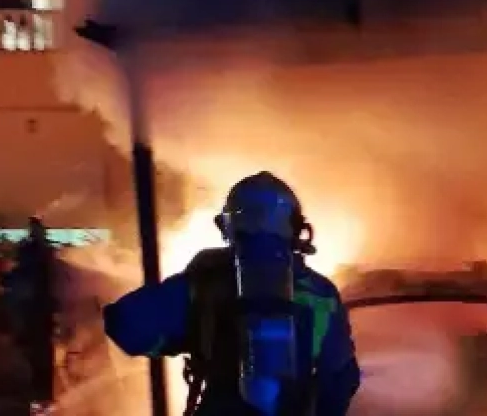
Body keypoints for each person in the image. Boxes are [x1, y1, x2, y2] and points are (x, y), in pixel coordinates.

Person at [104, 172, 360, 416]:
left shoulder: (204, 285)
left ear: (229, 226)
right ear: (295, 227)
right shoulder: (322, 295)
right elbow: (342, 377)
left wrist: (191, 292)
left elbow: (126, 324)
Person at [7, 217, 58, 416]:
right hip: (40, 307)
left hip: (35, 307)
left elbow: (22, 274)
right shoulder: (46, 252)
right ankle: (43, 396)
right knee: (42, 350)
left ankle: (40, 399)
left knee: (37, 351)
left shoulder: (33, 252)